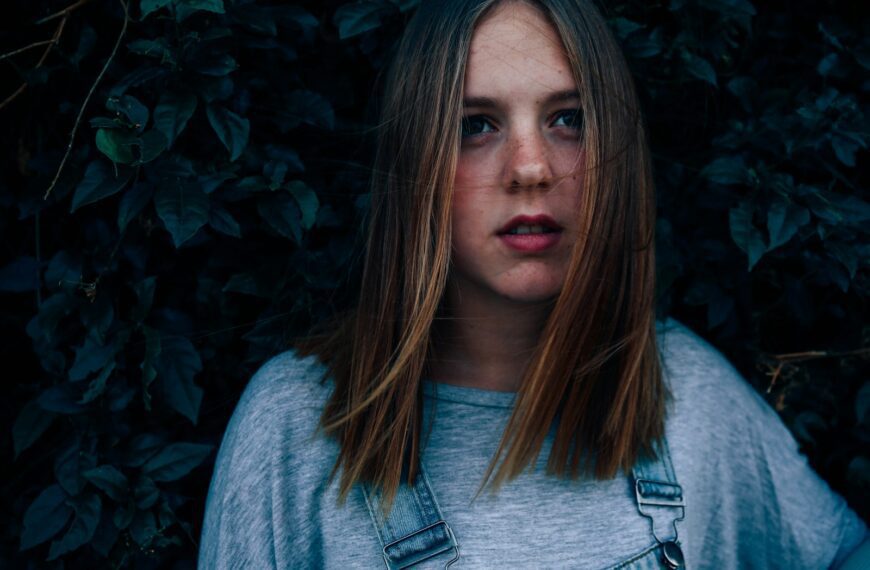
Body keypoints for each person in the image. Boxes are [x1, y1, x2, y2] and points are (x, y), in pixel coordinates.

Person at [198, 0, 869, 567]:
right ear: (416, 159)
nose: (531, 168)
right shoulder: (295, 428)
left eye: (567, 118)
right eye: (476, 126)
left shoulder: (683, 391)